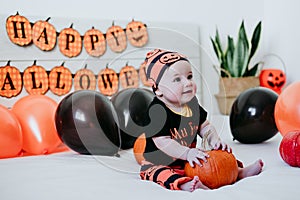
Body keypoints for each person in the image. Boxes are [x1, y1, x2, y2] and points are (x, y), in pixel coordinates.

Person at [139, 49, 264, 192]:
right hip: (161, 162)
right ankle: (183, 184)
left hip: (188, 159)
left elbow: (204, 126)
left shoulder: (191, 103)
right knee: (158, 173)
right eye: (177, 79)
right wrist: (187, 153)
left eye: (189, 76)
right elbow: (162, 141)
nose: (187, 83)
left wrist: (214, 140)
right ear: (158, 89)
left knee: (217, 160)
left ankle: (238, 171)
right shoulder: (156, 111)